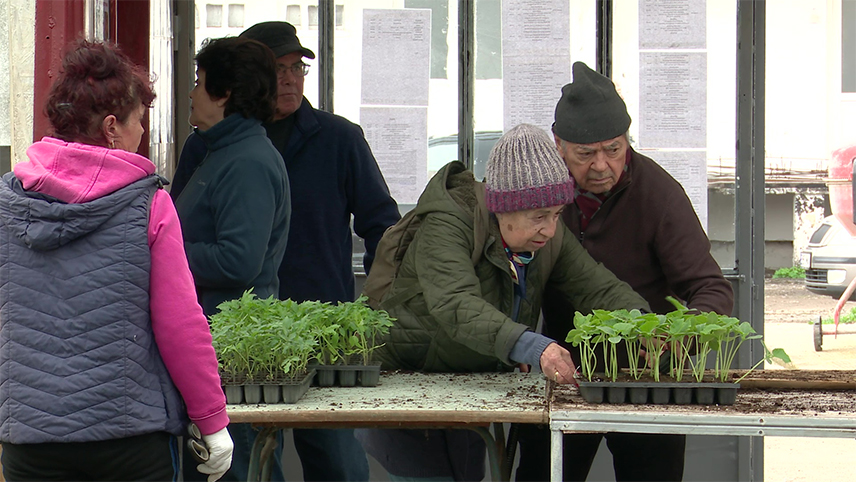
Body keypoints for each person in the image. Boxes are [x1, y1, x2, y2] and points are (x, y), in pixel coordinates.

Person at [355, 123, 651, 481]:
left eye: (557, 214)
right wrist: (532, 347)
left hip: (468, 381)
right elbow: (455, 305)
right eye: (539, 217)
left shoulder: (547, 238)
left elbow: (597, 288)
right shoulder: (448, 223)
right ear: (502, 208)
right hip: (404, 383)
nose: (550, 229)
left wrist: (643, 324)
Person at [171, 21, 401, 482]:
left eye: (298, 68)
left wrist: (375, 306)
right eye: (280, 68)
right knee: (255, 459)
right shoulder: (207, 147)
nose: (291, 79)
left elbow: (383, 227)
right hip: (254, 340)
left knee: (337, 463)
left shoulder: (338, 138)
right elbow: (176, 224)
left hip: (321, 332)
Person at [0, 40, 232, 482]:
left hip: (30, 444)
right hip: (129, 441)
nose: (142, 132)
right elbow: (180, 324)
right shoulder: (149, 206)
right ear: (112, 127)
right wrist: (212, 420)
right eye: (138, 120)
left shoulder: (7, 204)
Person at [514, 61, 735, 482]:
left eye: (613, 150)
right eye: (585, 154)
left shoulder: (659, 194)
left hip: (647, 376)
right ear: (558, 145)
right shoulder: (539, 195)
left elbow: (710, 288)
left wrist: (677, 340)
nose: (601, 165)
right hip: (564, 372)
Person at [172, 36, 291, 481]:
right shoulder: (219, 152)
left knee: (235, 471)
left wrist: (168, 254)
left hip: (231, 354)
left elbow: (239, 261)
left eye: (199, 82)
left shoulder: (247, 162)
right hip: (214, 347)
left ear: (223, 94)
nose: (191, 93)